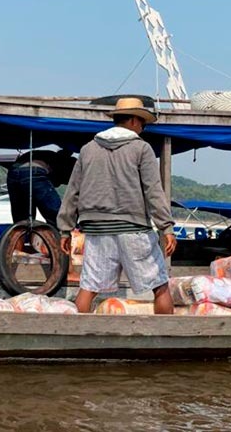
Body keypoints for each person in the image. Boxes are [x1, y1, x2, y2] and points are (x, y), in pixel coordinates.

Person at [57, 97, 176, 314]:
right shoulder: (141, 148)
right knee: (160, 286)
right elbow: (153, 191)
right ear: (132, 120)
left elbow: (73, 191)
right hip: (132, 227)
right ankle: (167, 340)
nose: (142, 127)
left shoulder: (88, 149)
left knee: (89, 287)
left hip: (96, 230)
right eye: (141, 122)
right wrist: (166, 227)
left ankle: (77, 339)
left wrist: (64, 229)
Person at [6, 149, 76, 226]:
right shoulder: (69, 167)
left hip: (14, 170)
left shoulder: (52, 156)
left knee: (23, 222)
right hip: (35, 169)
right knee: (59, 217)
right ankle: (62, 235)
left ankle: (23, 236)